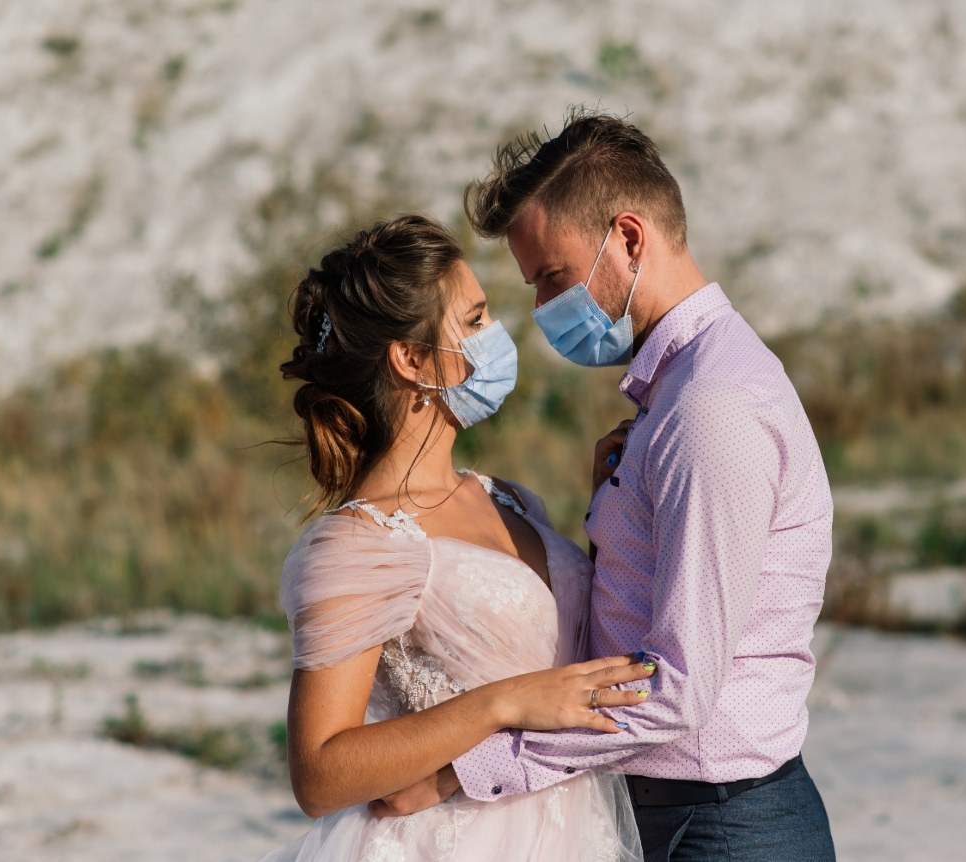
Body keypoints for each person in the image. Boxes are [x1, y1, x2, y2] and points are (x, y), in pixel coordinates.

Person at [437, 108, 838, 861]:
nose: (545, 310)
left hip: (722, 827)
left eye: (553, 278)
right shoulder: (674, 399)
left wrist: (472, 769)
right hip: (677, 816)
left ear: (627, 238)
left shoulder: (710, 408)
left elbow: (680, 687)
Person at [259, 213, 654, 861]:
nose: (496, 337)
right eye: (473, 322)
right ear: (411, 359)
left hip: (573, 827)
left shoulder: (507, 497)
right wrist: (502, 703)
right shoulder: (361, 543)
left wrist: (604, 511)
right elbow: (319, 774)